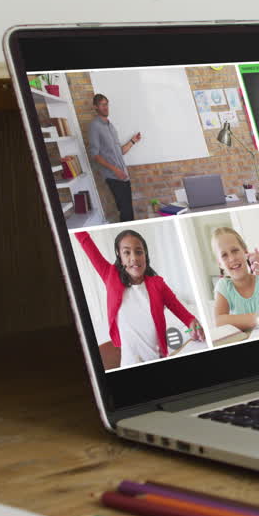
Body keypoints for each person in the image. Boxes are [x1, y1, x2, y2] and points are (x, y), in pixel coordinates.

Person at [76, 229, 204, 366]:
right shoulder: (110, 276)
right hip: (129, 364)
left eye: (138, 252)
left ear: (145, 255)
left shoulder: (158, 284)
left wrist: (193, 324)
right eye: (127, 252)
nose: (134, 258)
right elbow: (85, 242)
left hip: (158, 358)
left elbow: (183, 313)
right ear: (120, 257)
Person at [86, 93, 142, 222]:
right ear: (95, 107)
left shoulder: (111, 126)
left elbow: (119, 151)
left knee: (128, 211)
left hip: (124, 175)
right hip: (114, 177)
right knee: (125, 212)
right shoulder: (94, 126)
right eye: (102, 105)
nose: (106, 107)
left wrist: (133, 141)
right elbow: (95, 154)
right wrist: (115, 170)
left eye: (107, 104)